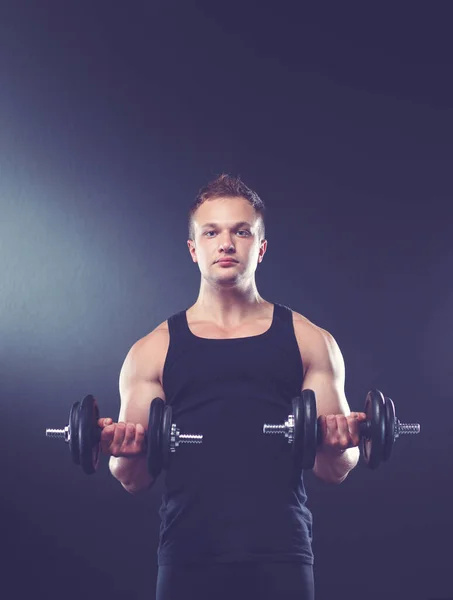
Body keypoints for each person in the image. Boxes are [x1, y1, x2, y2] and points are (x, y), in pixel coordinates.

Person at [101, 174, 366, 600]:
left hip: (282, 556)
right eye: (212, 232)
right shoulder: (153, 350)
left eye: (241, 231)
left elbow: (334, 469)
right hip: (187, 556)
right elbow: (133, 478)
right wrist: (125, 448)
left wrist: (341, 442)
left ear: (260, 248)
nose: (226, 243)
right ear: (194, 249)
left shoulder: (310, 340)